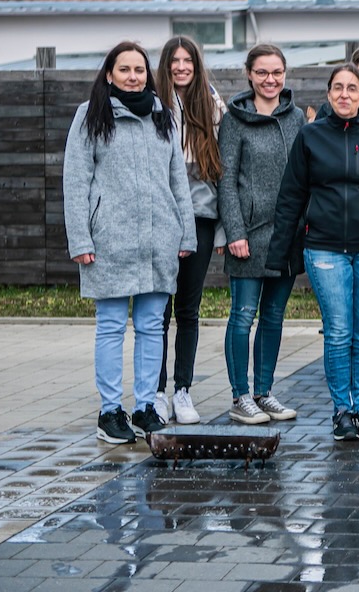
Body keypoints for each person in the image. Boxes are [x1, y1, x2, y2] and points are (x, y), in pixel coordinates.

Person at [267, 64, 359, 441]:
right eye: (338, 88)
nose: (346, 95)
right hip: (325, 249)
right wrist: (279, 253)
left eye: (353, 88)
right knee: (338, 333)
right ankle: (342, 410)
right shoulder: (310, 137)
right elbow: (291, 197)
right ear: (329, 94)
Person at [62, 41, 196, 444]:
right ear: (109, 74)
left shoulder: (165, 118)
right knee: (111, 327)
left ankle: (145, 408)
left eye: (140, 69)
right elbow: (75, 182)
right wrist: (80, 238)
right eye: (125, 69)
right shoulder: (89, 117)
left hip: (159, 240)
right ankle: (109, 413)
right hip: (109, 242)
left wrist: (185, 231)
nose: (134, 76)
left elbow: (179, 181)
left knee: (153, 326)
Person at [218, 44, 306, 425]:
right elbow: (225, 181)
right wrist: (234, 230)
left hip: (286, 233)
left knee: (273, 317)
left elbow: (306, 174)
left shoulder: (297, 117)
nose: (270, 80)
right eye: (262, 73)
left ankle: (264, 392)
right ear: (249, 75)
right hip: (248, 236)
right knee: (242, 315)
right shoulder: (235, 119)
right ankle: (240, 397)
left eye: (277, 72)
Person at [152, 35, 227, 426]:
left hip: (199, 217)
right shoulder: (152, 105)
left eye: (188, 61)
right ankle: (157, 392)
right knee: (158, 311)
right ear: (165, 66)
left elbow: (221, 172)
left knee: (188, 309)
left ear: (196, 66)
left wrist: (220, 231)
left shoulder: (212, 105)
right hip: (162, 220)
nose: (181, 67)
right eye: (174, 61)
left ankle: (183, 389)